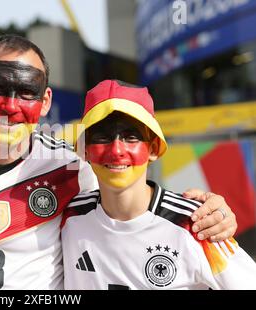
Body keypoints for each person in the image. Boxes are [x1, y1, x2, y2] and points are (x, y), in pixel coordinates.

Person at [0, 35, 237, 290]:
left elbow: (130, 216)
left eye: (26, 93)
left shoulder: (72, 167)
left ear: (45, 102)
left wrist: (211, 213)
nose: (11, 107)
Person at [62, 80, 256, 289]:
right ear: (84, 149)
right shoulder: (67, 217)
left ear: (153, 148)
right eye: (102, 137)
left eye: (131, 137)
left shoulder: (196, 224)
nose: (116, 150)